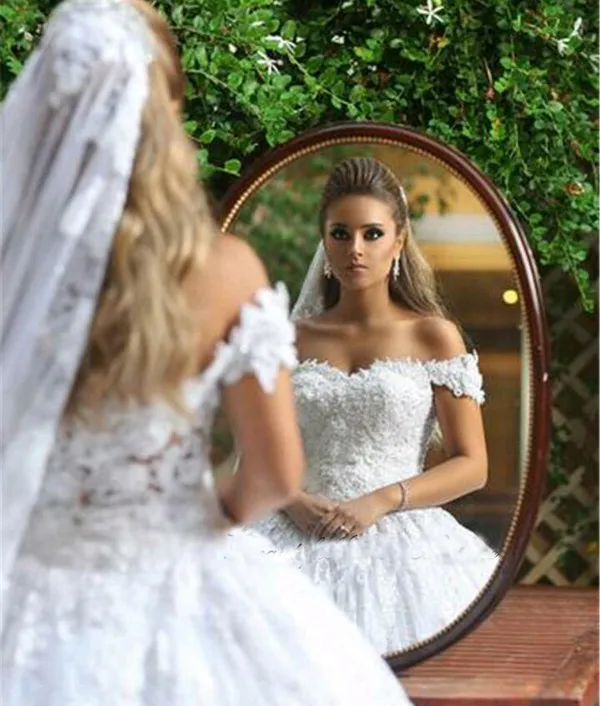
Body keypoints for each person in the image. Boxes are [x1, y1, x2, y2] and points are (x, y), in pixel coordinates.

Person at [0, 3, 412, 703]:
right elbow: (277, 474)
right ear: (166, 113)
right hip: (167, 582)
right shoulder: (222, 269)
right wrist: (188, 519)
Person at [253, 157, 499, 654]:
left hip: (401, 543)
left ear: (399, 240)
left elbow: (473, 465)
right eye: (340, 234)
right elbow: (258, 453)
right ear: (324, 241)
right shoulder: (290, 338)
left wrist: (381, 499)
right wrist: (293, 500)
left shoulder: (433, 335)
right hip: (292, 533)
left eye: (372, 233)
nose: (355, 250)